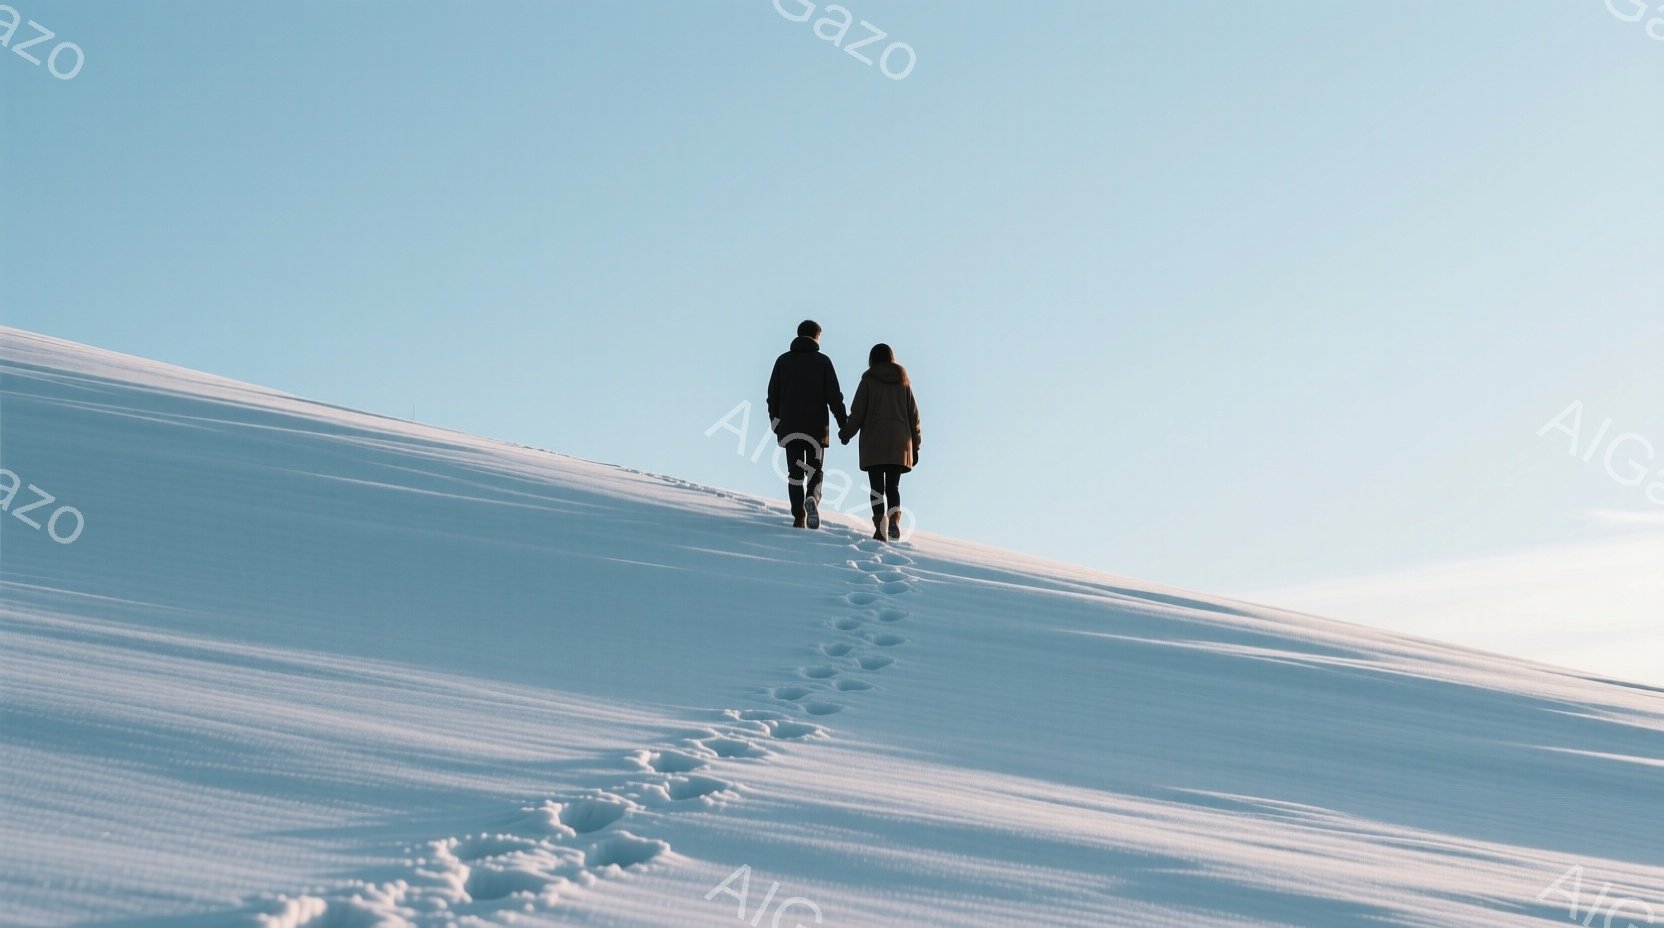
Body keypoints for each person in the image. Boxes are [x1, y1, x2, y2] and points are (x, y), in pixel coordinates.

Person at [767, 320, 848, 529]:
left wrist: (775, 422)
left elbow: (772, 396)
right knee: (815, 471)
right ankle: (812, 497)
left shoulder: (782, 361)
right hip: (816, 429)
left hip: (790, 428)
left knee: (794, 474)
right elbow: (834, 397)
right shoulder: (823, 362)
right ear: (817, 337)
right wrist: (843, 423)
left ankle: (798, 516)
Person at [839, 343, 921, 542]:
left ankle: (880, 528)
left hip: (874, 442)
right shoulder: (904, 383)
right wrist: (916, 446)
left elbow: (858, 413)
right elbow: (914, 418)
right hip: (899, 443)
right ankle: (894, 521)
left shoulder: (868, 381)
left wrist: (846, 433)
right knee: (893, 487)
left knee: (876, 488)